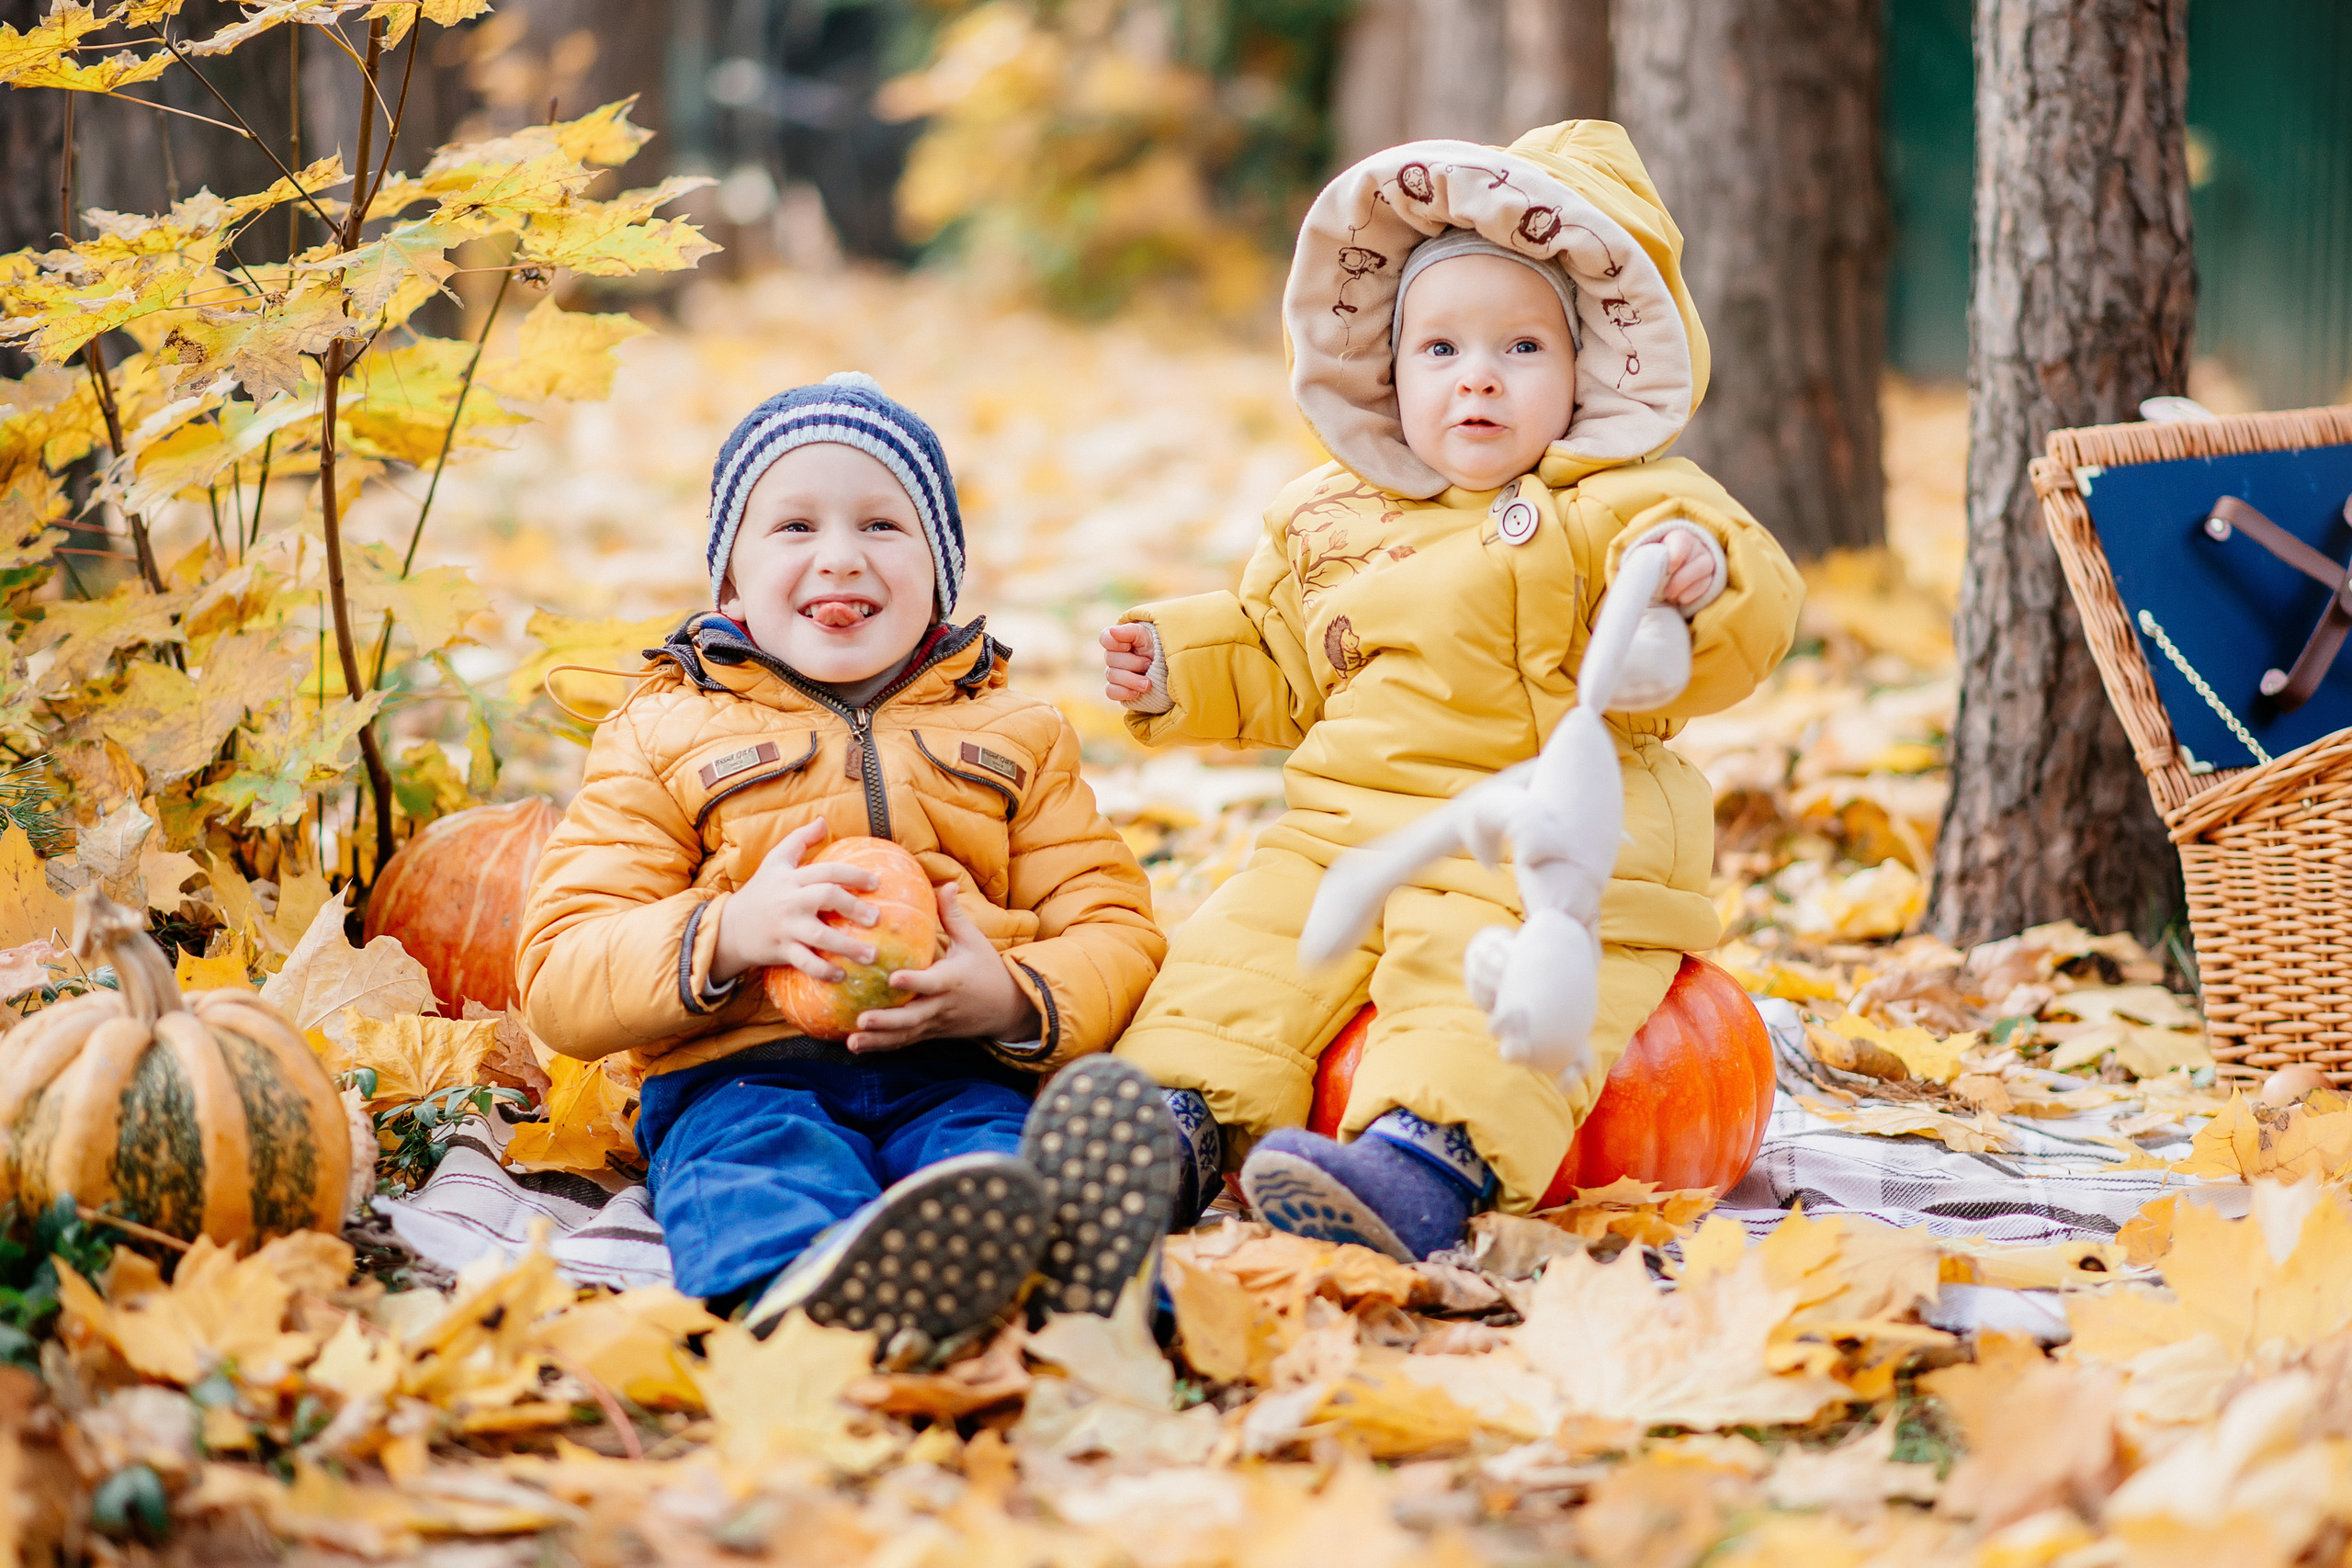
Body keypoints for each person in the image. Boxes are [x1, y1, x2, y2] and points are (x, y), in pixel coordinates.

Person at [1101, 123, 1804, 1260]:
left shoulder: (1624, 504)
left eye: (1521, 348)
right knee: (1242, 952)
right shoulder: (1332, 519)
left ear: (1584, 371)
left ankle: (1424, 1161)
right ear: (1388, 367)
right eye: (1440, 349)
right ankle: (1165, 1130)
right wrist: (1174, 664)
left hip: (1547, 835)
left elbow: (1750, 606)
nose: (1477, 375)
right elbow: (1280, 656)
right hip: (1346, 829)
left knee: (1473, 979)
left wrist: (1701, 579)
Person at [519, 374, 1176, 1347]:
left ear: (940, 571)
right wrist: (731, 932)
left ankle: (1070, 1278)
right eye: (793, 528)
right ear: (730, 577)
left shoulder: (1016, 734)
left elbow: (1113, 927)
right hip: (736, 1074)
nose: (840, 558)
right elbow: (559, 971)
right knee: (758, 1169)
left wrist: (1008, 998)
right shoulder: (663, 734)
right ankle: (811, 1294)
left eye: (881, 526)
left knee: (989, 1158)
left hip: (961, 1066)